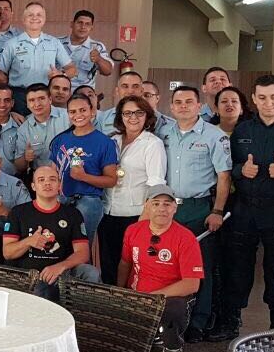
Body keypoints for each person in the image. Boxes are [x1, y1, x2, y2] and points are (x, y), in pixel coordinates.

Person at [210, 75, 274, 341]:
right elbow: (229, 168)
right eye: (262, 98)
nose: (268, 103)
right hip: (244, 211)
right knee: (237, 270)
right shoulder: (242, 131)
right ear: (253, 99)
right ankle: (231, 322)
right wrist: (242, 170)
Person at [158, 86, 231, 342]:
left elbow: (224, 177)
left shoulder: (214, 135)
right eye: (178, 102)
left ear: (199, 106)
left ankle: (198, 322)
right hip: (168, 208)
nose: (183, 106)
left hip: (199, 208)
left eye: (189, 102)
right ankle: (171, 319)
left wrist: (217, 211)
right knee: (168, 264)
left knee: (200, 267)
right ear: (171, 107)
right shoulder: (164, 133)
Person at [118, 185, 204, 352]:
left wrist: (153, 297)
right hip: (136, 294)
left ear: (175, 208)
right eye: (156, 203)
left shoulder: (186, 238)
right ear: (146, 206)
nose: (161, 209)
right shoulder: (133, 230)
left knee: (173, 311)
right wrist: (120, 291)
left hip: (169, 299)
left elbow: (192, 284)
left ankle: (171, 347)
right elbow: (125, 263)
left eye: (167, 204)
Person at [2, 166, 100, 301]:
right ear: (33, 186)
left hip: (62, 273)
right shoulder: (18, 212)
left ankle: (86, 313)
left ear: (59, 185)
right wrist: (29, 241)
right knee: (42, 289)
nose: (47, 183)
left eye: (52, 179)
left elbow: (83, 253)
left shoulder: (73, 214)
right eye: (41, 180)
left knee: (91, 272)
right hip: (29, 276)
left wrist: (60, 267)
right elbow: (7, 252)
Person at [98, 95, 167, 285]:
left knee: (131, 269)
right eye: (127, 113)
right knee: (109, 267)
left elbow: (156, 184)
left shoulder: (152, 143)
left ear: (147, 116)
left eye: (139, 113)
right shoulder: (112, 140)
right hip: (108, 212)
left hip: (136, 215)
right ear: (120, 117)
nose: (133, 117)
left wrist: (145, 219)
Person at [49, 95, 119, 243]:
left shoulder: (105, 142)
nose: (78, 115)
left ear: (92, 111)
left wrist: (83, 177)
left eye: (83, 110)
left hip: (89, 201)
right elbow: (53, 171)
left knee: (81, 246)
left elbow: (111, 180)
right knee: (57, 245)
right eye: (72, 111)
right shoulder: (60, 140)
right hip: (61, 199)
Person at [0, 2, 76, 114]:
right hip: (20, 97)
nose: (34, 18)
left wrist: (61, 75)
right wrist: (11, 85)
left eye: (39, 15)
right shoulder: (11, 44)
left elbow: (72, 69)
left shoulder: (54, 43)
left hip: (46, 95)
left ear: (44, 19)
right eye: (30, 15)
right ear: (23, 19)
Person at [13, 84, 71, 174]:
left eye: (41, 98)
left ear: (50, 99)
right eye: (32, 100)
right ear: (27, 104)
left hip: (71, 173)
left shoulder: (68, 116)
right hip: (42, 177)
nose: (37, 104)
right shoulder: (23, 129)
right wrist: (25, 157)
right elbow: (19, 166)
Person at [61, 10, 112, 90]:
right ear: (72, 24)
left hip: (83, 93)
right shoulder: (56, 43)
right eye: (80, 23)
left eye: (87, 24)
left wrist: (99, 59)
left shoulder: (97, 46)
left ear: (92, 28)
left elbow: (108, 71)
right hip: (59, 90)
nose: (83, 27)